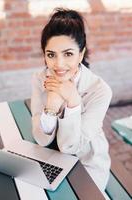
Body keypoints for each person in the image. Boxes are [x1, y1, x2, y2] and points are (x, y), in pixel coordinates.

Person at [31, 8, 112, 198]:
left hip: (87, 163)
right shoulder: (38, 79)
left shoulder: (100, 90)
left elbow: (71, 147)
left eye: (68, 54)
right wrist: (52, 106)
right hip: (51, 157)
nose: (58, 64)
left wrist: (73, 102)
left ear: (81, 54)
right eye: (51, 55)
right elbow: (41, 138)